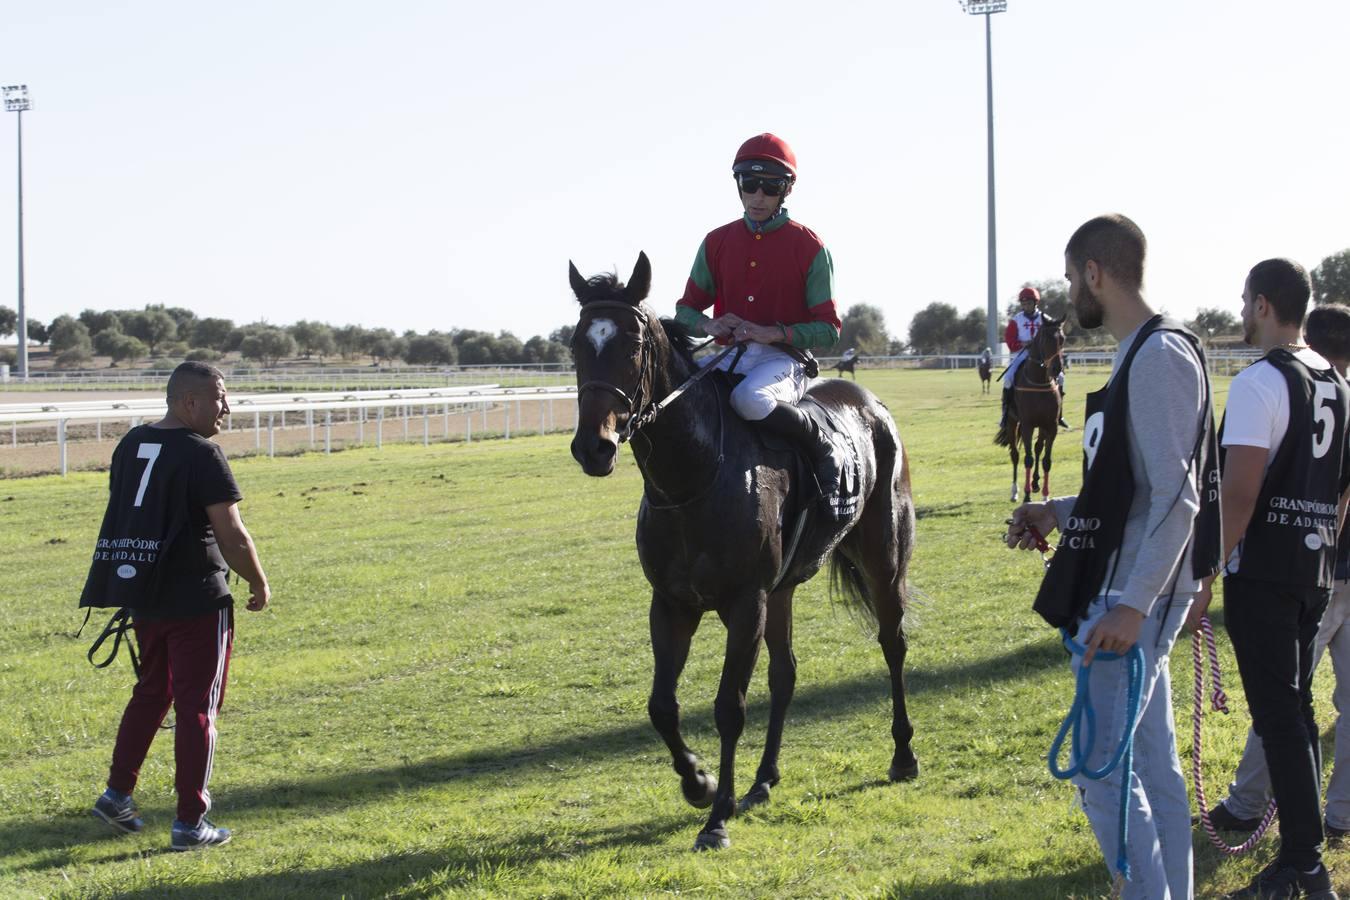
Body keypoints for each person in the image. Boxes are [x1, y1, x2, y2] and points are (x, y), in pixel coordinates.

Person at [1007, 214, 1221, 898]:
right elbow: (1128, 488)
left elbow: (1178, 498)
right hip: (1129, 589)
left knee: (1102, 776)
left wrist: (1134, 606)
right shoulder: (1141, 351)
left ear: (1096, 273)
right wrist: (1057, 512)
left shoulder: (1158, 354)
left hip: (1129, 599)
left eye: (1073, 279)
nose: (1072, 292)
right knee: (1152, 767)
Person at [1187, 259, 1350, 900]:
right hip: (1314, 568)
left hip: (1263, 573)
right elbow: (1341, 491)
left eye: (1245, 300)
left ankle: (1304, 866)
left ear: (1260, 305)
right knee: (1297, 715)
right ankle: (1305, 859)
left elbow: (1242, 493)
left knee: (1281, 717)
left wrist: (1205, 569)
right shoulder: (1336, 381)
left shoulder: (1260, 383)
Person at [83, 361, 270, 851]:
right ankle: (191, 822)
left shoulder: (130, 443)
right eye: (220, 397)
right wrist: (258, 581)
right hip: (196, 598)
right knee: (197, 709)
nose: (227, 407)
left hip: (145, 594)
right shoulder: (202, 452)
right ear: (189, 401)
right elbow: (231, 532)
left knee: (150, 693)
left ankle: (116, 794)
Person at [674, 132, 848, 516]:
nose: (757, 196)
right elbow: (684, 313)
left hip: (784, 361)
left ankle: (823, 447)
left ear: (786, 190)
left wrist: (776, 332)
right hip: (728, 356)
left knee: (748, 400)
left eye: (769, 188)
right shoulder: (716, 242)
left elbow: (829, 330)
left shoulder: (810, 247)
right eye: (749, 184)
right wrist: (710, 325)